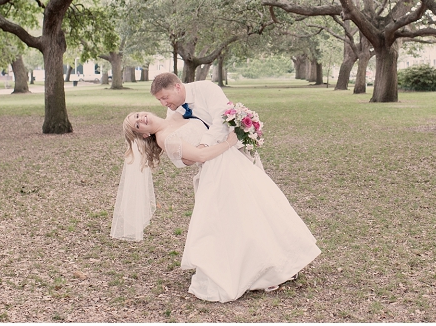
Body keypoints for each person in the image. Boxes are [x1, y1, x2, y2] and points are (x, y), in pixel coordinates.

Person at [111, 108, 321, 303]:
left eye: (138, 115)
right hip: (217, 172)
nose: (141, 119)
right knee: (238, 220)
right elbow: (200, 155)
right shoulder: (165, 139)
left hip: (233, 163)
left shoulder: (176, 112)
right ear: (145, 135)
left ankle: (278, 263)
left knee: (261, 210)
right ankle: (257, 271)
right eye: (138, 125)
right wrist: (229, 142)